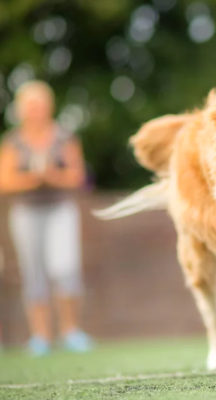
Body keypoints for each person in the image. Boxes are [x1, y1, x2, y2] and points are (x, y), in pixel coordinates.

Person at [0, 81, 92, 356]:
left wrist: (52, 177)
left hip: (60, 209)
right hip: (26, 213)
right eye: (30, 106)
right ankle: (40, 337)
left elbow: (77, 177)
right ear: (21, 110)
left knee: (65, 268)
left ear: (49, 107)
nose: (36, 111)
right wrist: (34, 180)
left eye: (40, 105)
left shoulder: (64, 138)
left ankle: (71, 331)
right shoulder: (13, 141)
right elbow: (5, 181)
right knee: (34, 273)